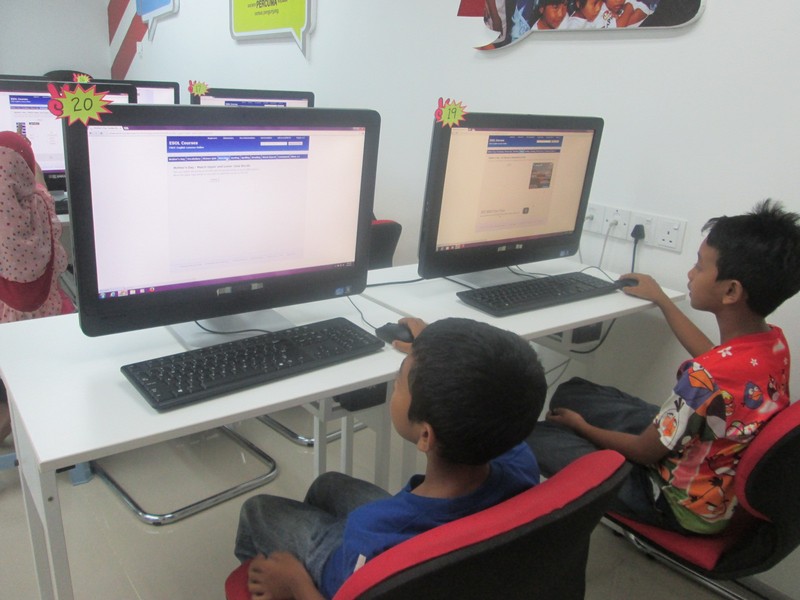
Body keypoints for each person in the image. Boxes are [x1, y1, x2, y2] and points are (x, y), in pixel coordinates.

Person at [527, 200, 800, 535]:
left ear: (731, 290)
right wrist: (661, 299)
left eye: (699, 266)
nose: (690, 274)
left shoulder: (704, 377)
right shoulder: (772, 343)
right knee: (574, 392)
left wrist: (581, 427)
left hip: (675, 502)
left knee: (534, 435)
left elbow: (644, 452)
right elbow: (716, 357)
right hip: (709, 461)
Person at [234, 317, 547, 599]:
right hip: (454, 528)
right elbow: (491, 395)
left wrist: (296, 585)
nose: (396, 385)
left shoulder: (372, 533)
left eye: (399, 383)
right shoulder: (519, 460)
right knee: (328, 485)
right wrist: (437, 351)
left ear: (425, 436)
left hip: (350, 570)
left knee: (259, 509)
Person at [0, 131, 71, 442]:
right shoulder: (41, 206)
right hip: (48, 312)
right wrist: (37, 178)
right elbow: (44, 196)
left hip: (8, 324)